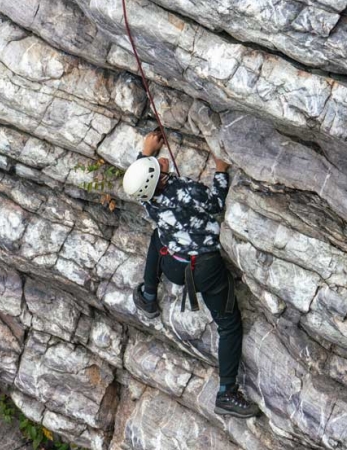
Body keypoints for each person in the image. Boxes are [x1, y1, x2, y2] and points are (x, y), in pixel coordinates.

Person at [122, 130, 260, 419]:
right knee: (230, 324)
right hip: (204, 270)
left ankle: (148, 295)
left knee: (159, 235)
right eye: (156, 165)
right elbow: (216, 205)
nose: (160, 161)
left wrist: (145, 151)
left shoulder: (146, 196)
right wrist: (220, 170)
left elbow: (139, 180)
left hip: (173, 264)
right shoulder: (184, 191)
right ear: (157, 179)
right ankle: (226, 393)